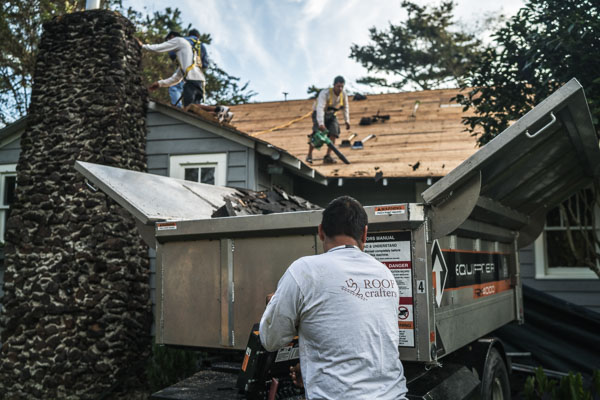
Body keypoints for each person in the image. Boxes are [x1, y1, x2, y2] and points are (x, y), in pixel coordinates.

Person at [260, 196, 408, 399]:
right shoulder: (384, 273)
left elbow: (271, 339)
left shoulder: (305, 270)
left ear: (320, 231)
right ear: (365, 234)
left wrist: (275, 303)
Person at [137, 29, 232, 122]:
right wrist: (159, 83)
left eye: (169, 41)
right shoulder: (187, 58)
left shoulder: (178, 40)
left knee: (189, 106)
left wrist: (143, 46)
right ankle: (222, 114)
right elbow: (177, 78)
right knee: (193, 111)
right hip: (200, 80)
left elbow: (159, 48)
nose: (169, 45)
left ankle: (219, 109)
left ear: (172, 37)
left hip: (192, 79)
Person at [306, 76, 351, 164]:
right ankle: (309, 155)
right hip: (319, 113)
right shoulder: (325, 93)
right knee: (316, 135)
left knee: (334, 133)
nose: (340, 89)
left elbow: (346, 108)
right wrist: (321, 124)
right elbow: (320, 108)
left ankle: (327, 156)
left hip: (331, 114)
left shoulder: (344, 94)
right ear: (334, 85)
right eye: (338, 86)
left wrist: (347, 121)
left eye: (342, 86)